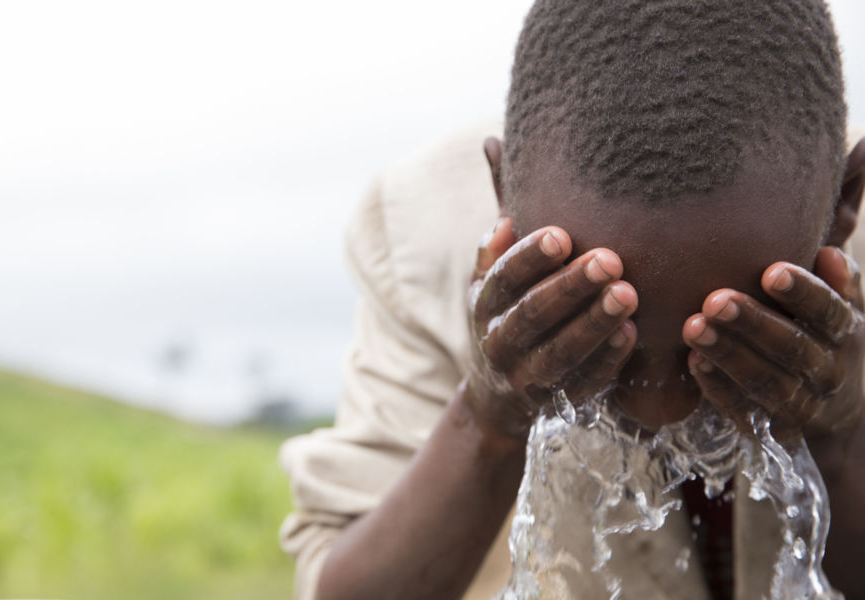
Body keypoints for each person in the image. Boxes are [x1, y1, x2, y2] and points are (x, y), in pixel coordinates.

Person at [280, 1, 865, 599]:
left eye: (720, 347)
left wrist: (840, 440)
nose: (659, 415)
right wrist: (489, 419)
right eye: (604, 341)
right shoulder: (422, 235)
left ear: (844, 205)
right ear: (502, 196)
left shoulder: (803, 198)